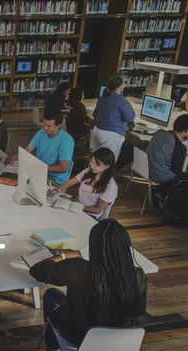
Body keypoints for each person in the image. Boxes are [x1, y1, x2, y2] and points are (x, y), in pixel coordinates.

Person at [30, 219, 147, 349]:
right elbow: (140, 310)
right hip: (120, 343)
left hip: (78, 339)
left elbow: (37, 270)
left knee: (52, 295)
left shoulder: (79, 269)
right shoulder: (137, 275)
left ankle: (54, 347)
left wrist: (63, 255)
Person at [49, 148, 118, 220]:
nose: (92, 166)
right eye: (92, 162)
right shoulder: (89, 171)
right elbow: (69, 183)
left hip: (90, 215)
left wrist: (73, 204)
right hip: (76, 207)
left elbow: (97, 210)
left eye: (97, 164)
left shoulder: (111, 186)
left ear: (107, 166)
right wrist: (57, 190)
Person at [7, 114, 75, 186]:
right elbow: (27, 149)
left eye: (49, 126)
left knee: (23, 182)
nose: (45, 128)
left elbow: (63, 168)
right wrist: (14, 157)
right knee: (13, 177)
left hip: (55, 180)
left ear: (58, 125)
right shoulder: (41, 132)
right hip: (39, 172)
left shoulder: (66, 140)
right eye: (44, 124)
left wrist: (40, 168)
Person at [91, 74, 135, 161]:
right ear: (120, 85)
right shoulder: (121, 100)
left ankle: (91, 174)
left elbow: (95, 114)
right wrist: (129, 105)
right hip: (111, 135)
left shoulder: (103, 97)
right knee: (108, 163)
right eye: (125, 82)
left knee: (95, 161)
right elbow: (130, 117)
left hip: (97, 131)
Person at [146, 114, 188, 202]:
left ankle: (160, 191)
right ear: (186, 131)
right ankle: (163, 193)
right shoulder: (180, 147)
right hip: (162, 177)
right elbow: (176, 171)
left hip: (147, 171)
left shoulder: (159, 133)